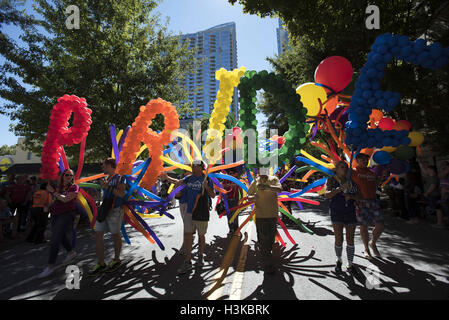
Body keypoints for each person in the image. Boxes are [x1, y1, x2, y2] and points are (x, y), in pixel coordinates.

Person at [161, 160, 215, 274]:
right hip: (189, 212)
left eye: (195, 166)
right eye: (192, 166)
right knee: (188, 235)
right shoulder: (189, 178)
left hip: (201, 212)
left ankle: (200, 255)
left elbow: (213, 195)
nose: (193, 168)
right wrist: (166, 177)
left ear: (201, 167)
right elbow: (178, 182)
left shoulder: (207, 179)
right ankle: (187, 261)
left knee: (201, 236)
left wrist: (207, 187)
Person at [88, 158, 126, 276]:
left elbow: (121, 194)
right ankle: (101, 263)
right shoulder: (107, 178)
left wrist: (107, 186)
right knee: (98, 234)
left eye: (103, 165)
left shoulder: (120, 178)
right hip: (104, 210)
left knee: (115, 235)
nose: (102, 168)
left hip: (116, 210)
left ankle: (117, 260)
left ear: (110, 165)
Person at [38, 169, 79, 278]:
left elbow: (65, 199)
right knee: (60, 237)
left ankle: (50, 266)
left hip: (66, 215)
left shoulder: (74, 187)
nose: (69, 176)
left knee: (54, 239)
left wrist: (53, 191)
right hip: (55, 214)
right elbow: (55, 200)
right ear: (61, 176)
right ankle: (71, 252)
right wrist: (48, 205)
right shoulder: (58, 187)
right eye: (66, 174)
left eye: (71, 175)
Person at [325, 161, 360, 274]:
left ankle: (350, 263)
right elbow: (327, 195)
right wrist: (340, 189)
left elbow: (360, 196)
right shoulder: (331, 180)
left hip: (350, 212)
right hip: (337, 212)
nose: (344, 169)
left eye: (346, 167)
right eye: (341, 167)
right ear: (336, 169)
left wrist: (351, 196)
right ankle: (339, 260)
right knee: (339, 239)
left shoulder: (351, 182)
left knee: (350, 239)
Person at [247, 167, 282, 275]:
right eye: (260, 170)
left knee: (270, 239)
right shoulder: (255, 182)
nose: (262, 172)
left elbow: (279, 190)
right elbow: (248, 197)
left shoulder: (274, 179)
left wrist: (267, 186)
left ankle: (268, 256)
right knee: (263, 240)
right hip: (260, 216)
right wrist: (253, 197)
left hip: (272, 215)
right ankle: (267, 264)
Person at [352, 153, 388, 259]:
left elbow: (376, 185)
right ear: (357, 160)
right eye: (362, 159)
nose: (364, 160)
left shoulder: (371, 172)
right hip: (361, 201)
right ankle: (366, 249)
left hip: (373, 201)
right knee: (364, 226)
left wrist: (381, 177)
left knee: (380, 225)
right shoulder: (353, 171)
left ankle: (373, 242)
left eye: (366, 159)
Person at [221, 169, 241, 234]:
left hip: (235, 199)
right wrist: (222, 198)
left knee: (235, 215)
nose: (231, 174)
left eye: (232, 173)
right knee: (229, 215)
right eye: (230, 173)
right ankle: (231, 229)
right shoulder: (225, 180)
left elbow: (240, 189)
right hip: (227, 200)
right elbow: (222, 188)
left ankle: (236, 229)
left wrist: (242, 199)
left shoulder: (237, 180)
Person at [435, 161, 449, 228]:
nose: (442, 166)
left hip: (446, 193)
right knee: (440, 206)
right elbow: (440, 176)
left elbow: (441, 176)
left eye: (444, 165)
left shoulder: (446, 172)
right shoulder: (444, 174)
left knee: (444, 205)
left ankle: (442, 222)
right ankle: (441, 223)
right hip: (444, 193)